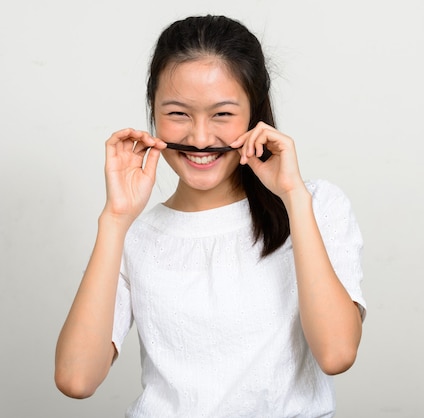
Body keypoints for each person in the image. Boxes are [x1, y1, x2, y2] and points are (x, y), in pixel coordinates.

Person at [55, 14, 366, 417]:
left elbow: (337, 352)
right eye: (178, 114)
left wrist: (293, 196)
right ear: (152, 113)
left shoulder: (315, 204)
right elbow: (76, 379)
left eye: (222, 114)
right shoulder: (135, 237)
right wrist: (115, 219)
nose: (200, 139)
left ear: (256, 115)